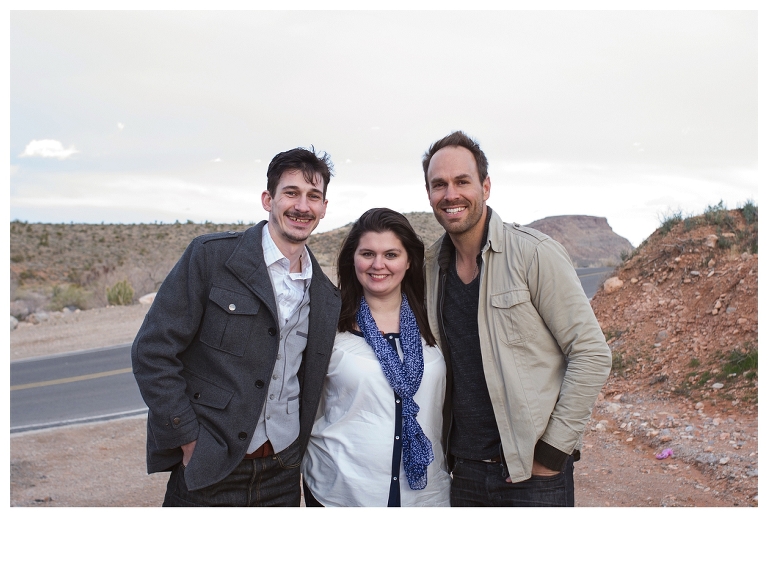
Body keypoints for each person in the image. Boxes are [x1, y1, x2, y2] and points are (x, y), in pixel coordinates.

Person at [131, 147, 341, 506]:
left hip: (282, 472)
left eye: (313, 196)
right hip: (211, 466)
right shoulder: (211, 257)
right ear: (267, 199)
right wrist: (188, 439)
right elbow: (153, 352)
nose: (302, 206)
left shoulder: (326, 295)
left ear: (323, 208)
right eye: (291, 193)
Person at [421, 131, 612, 507]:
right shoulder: (429, 268)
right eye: (438, 184)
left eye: (463, 181)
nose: (450, 194)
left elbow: (591, 352)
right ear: (428, 193)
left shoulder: (534, 254)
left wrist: (553, 451)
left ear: (486, 186)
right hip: (463, 472)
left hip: (532, 475)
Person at [301, 208, 451, 506]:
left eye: (391, 255)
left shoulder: (435, 321)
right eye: (367, 253)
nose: (378, 264)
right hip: (344, 493)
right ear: (353, 259)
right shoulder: (328, 326)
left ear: (409, 261)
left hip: (425, 497)